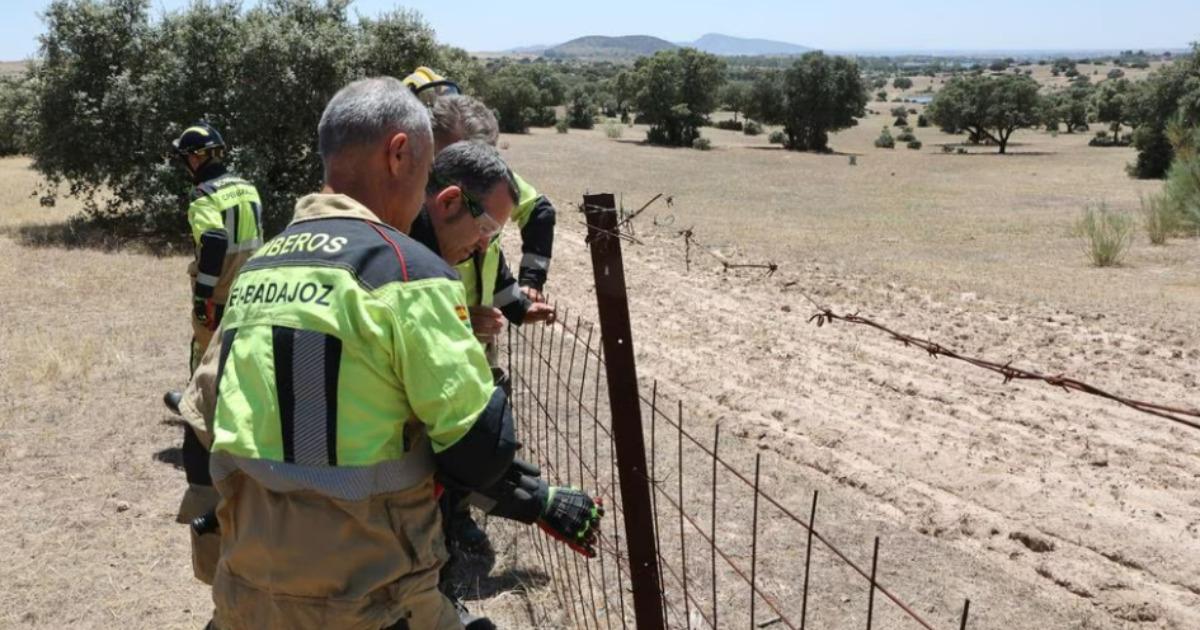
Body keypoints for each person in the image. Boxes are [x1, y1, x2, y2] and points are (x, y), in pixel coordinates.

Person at [176, 77, 602, 630]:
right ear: (400, 155)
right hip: (375, 597)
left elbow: (197, 431)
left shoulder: (263, 267)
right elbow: (479, 450)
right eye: (428, 172)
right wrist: (533, 493)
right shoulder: (407, 271)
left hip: (246, 592)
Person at [165, 122, 263, 588]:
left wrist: (204, 293)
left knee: (204, 366)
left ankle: (206, 432)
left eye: (187, 158)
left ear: (197, 157)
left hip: (219, 297)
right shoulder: (247, 186)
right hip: (254, 292)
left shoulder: (204, 194)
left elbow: (216, 244)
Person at [404, 69, 558, 306]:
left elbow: (537, 212)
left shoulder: (493, 182)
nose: (464, 171)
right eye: (450, 159)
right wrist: (461, 324)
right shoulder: (395, 204)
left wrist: (527, 288)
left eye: (475, 158)